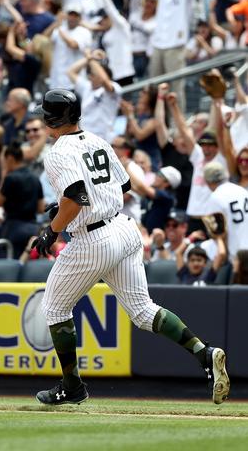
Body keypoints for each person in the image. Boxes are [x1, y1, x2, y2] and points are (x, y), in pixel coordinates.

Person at [31, 88, 229, 405]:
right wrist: (66, 209)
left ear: (52, 117)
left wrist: (52, 231)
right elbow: (120, 187)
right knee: (142, 311)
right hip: (124, 228)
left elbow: (77, 198)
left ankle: (72, 385)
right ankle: (203, 352)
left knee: (55, 308)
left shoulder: (57, 153)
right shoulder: (99, 140)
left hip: (94, 238)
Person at [203, 162, 248, 260]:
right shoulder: (242, 190)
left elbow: (219, 233)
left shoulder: (215, 198)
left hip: (236, 254)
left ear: (208, 181)